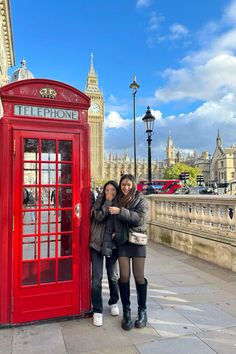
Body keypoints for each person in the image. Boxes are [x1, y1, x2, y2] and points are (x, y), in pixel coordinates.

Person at [105, 174, 148, 331]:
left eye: (128, 184)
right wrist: (112, 235)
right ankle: (127, 312)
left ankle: (142, 311)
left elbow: (139, 219)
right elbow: (111, 221)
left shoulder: (140, 199)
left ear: (133, 185)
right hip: (123, 242)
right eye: (123, 184)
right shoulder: (117, 200)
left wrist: (121, 211)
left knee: (138, 276)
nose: (125, 187)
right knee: (124, 276)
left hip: (137, 242)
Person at [90, 180, 120, 327]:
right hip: (96, 243)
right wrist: (107, 202)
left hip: (112, 245)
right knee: (96, 278)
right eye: (107, 190)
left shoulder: (120, 203)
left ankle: (114, 301)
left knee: (113, 276)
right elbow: (98, 217)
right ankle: (97, 309)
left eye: (113, 190)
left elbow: (123, 222)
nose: (110, 192)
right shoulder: (99, 201)